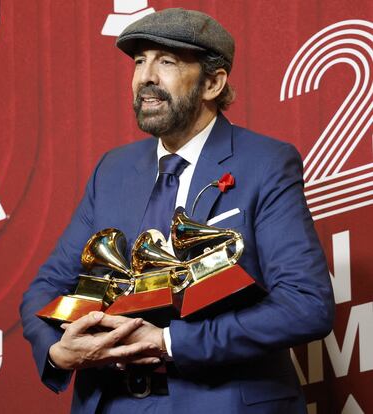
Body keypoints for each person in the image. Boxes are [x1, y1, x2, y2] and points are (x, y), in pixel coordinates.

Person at [20, 7, 335, 414]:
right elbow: (44, 290)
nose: (145, 77)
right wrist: (60, 353)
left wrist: (169, 342)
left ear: (212, 82)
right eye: (139, 61)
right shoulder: (111, 171)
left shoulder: (267, 163)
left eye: (166, 61)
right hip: (113, 403)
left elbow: (306, 305)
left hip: (221, 402)